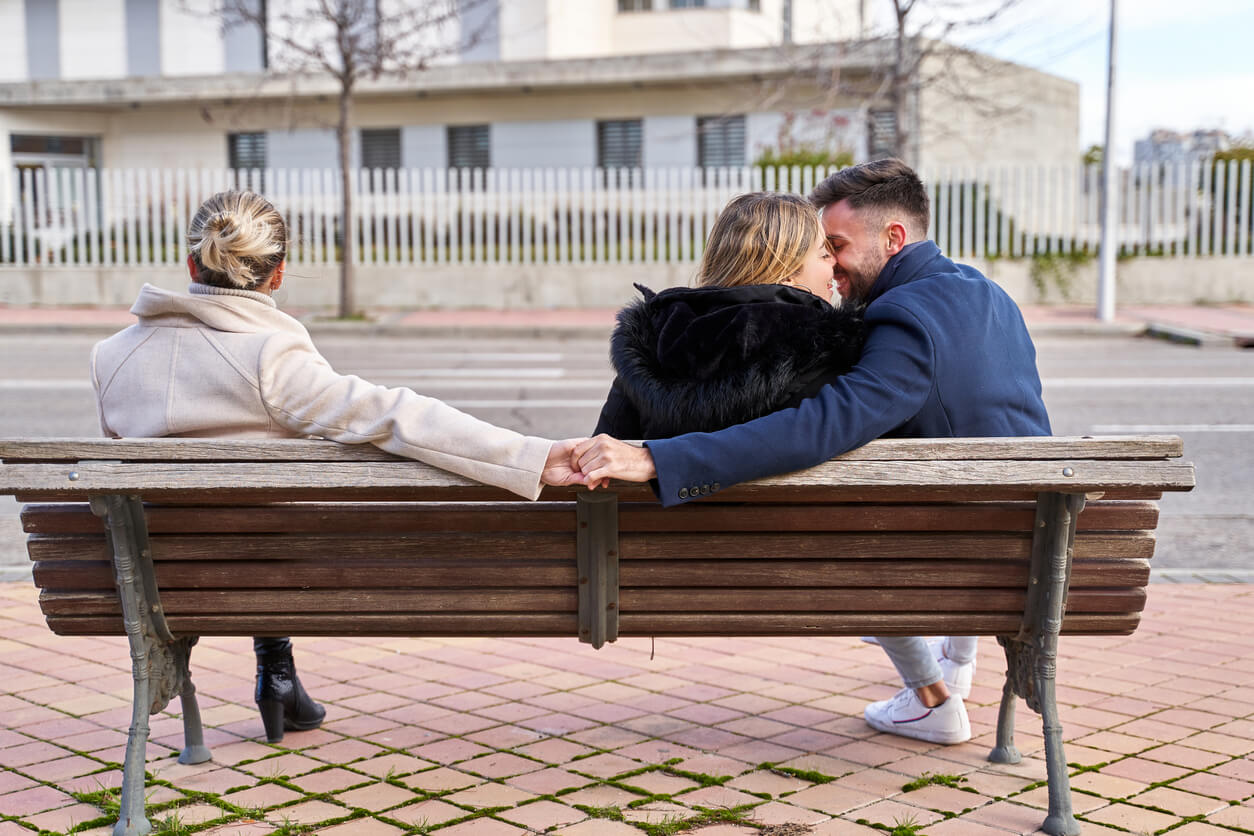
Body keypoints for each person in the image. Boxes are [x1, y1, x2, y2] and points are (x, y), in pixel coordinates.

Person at [573, 159, 1051, 745]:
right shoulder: (989, 295)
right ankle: (951, 668)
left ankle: (938, 691)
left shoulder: (897, 318)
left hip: (932, 558)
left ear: (893, 239)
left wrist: (659, 458)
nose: (834, 264)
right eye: (823, 249)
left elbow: (822, 426)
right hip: (1022, 548)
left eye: (839, 245)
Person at [90, 190, 588, 744]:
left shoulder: (109, 358)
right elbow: (398, 416)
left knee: (224, 521)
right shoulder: (270, 361)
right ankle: (275, 672)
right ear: (277, 275)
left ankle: (274, 675)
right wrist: (535, 457)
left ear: (191, 264)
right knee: (265, 524)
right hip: (272, 575)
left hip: (157, 580)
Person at [593, 191, 865, 439]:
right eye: (823, 254)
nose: (835, 262)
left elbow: (605, 449)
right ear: (786, 272)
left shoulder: (653, 341)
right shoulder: (830, 350)